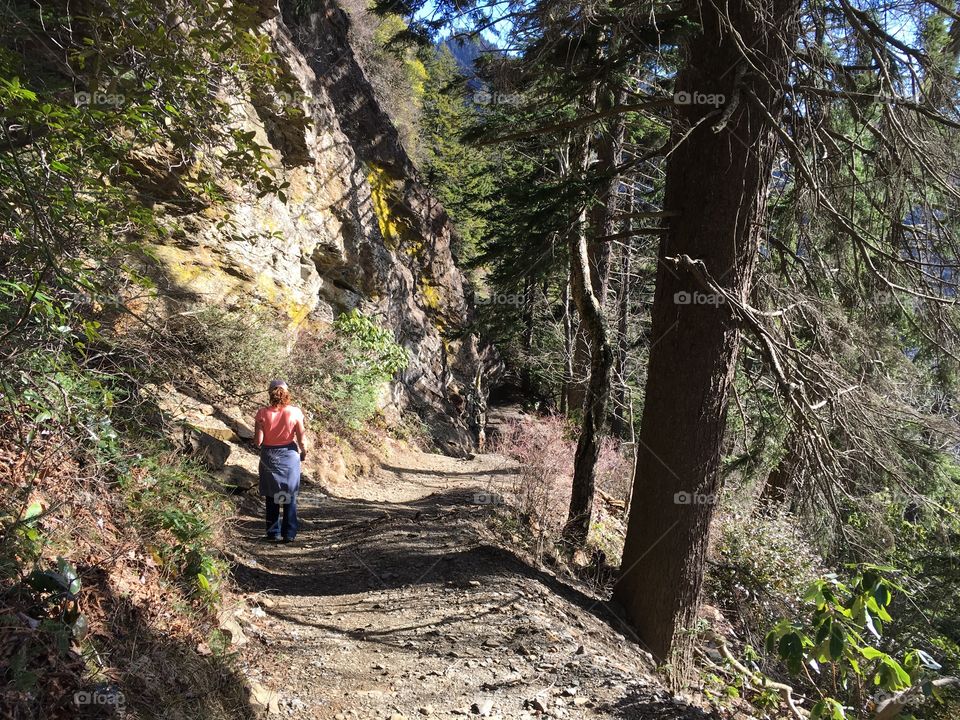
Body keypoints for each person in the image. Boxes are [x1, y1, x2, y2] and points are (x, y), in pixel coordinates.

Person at [253, 380, 307, 543]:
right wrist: (304, 452)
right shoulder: (295, 412)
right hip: (289, 456)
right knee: (288, 494)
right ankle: (289, 534)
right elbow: (302, 439)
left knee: (272, 494)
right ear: (286, 393)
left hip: (269, 456)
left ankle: (273, 532)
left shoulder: (262, 413)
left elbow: (258, 441)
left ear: (270, 394)